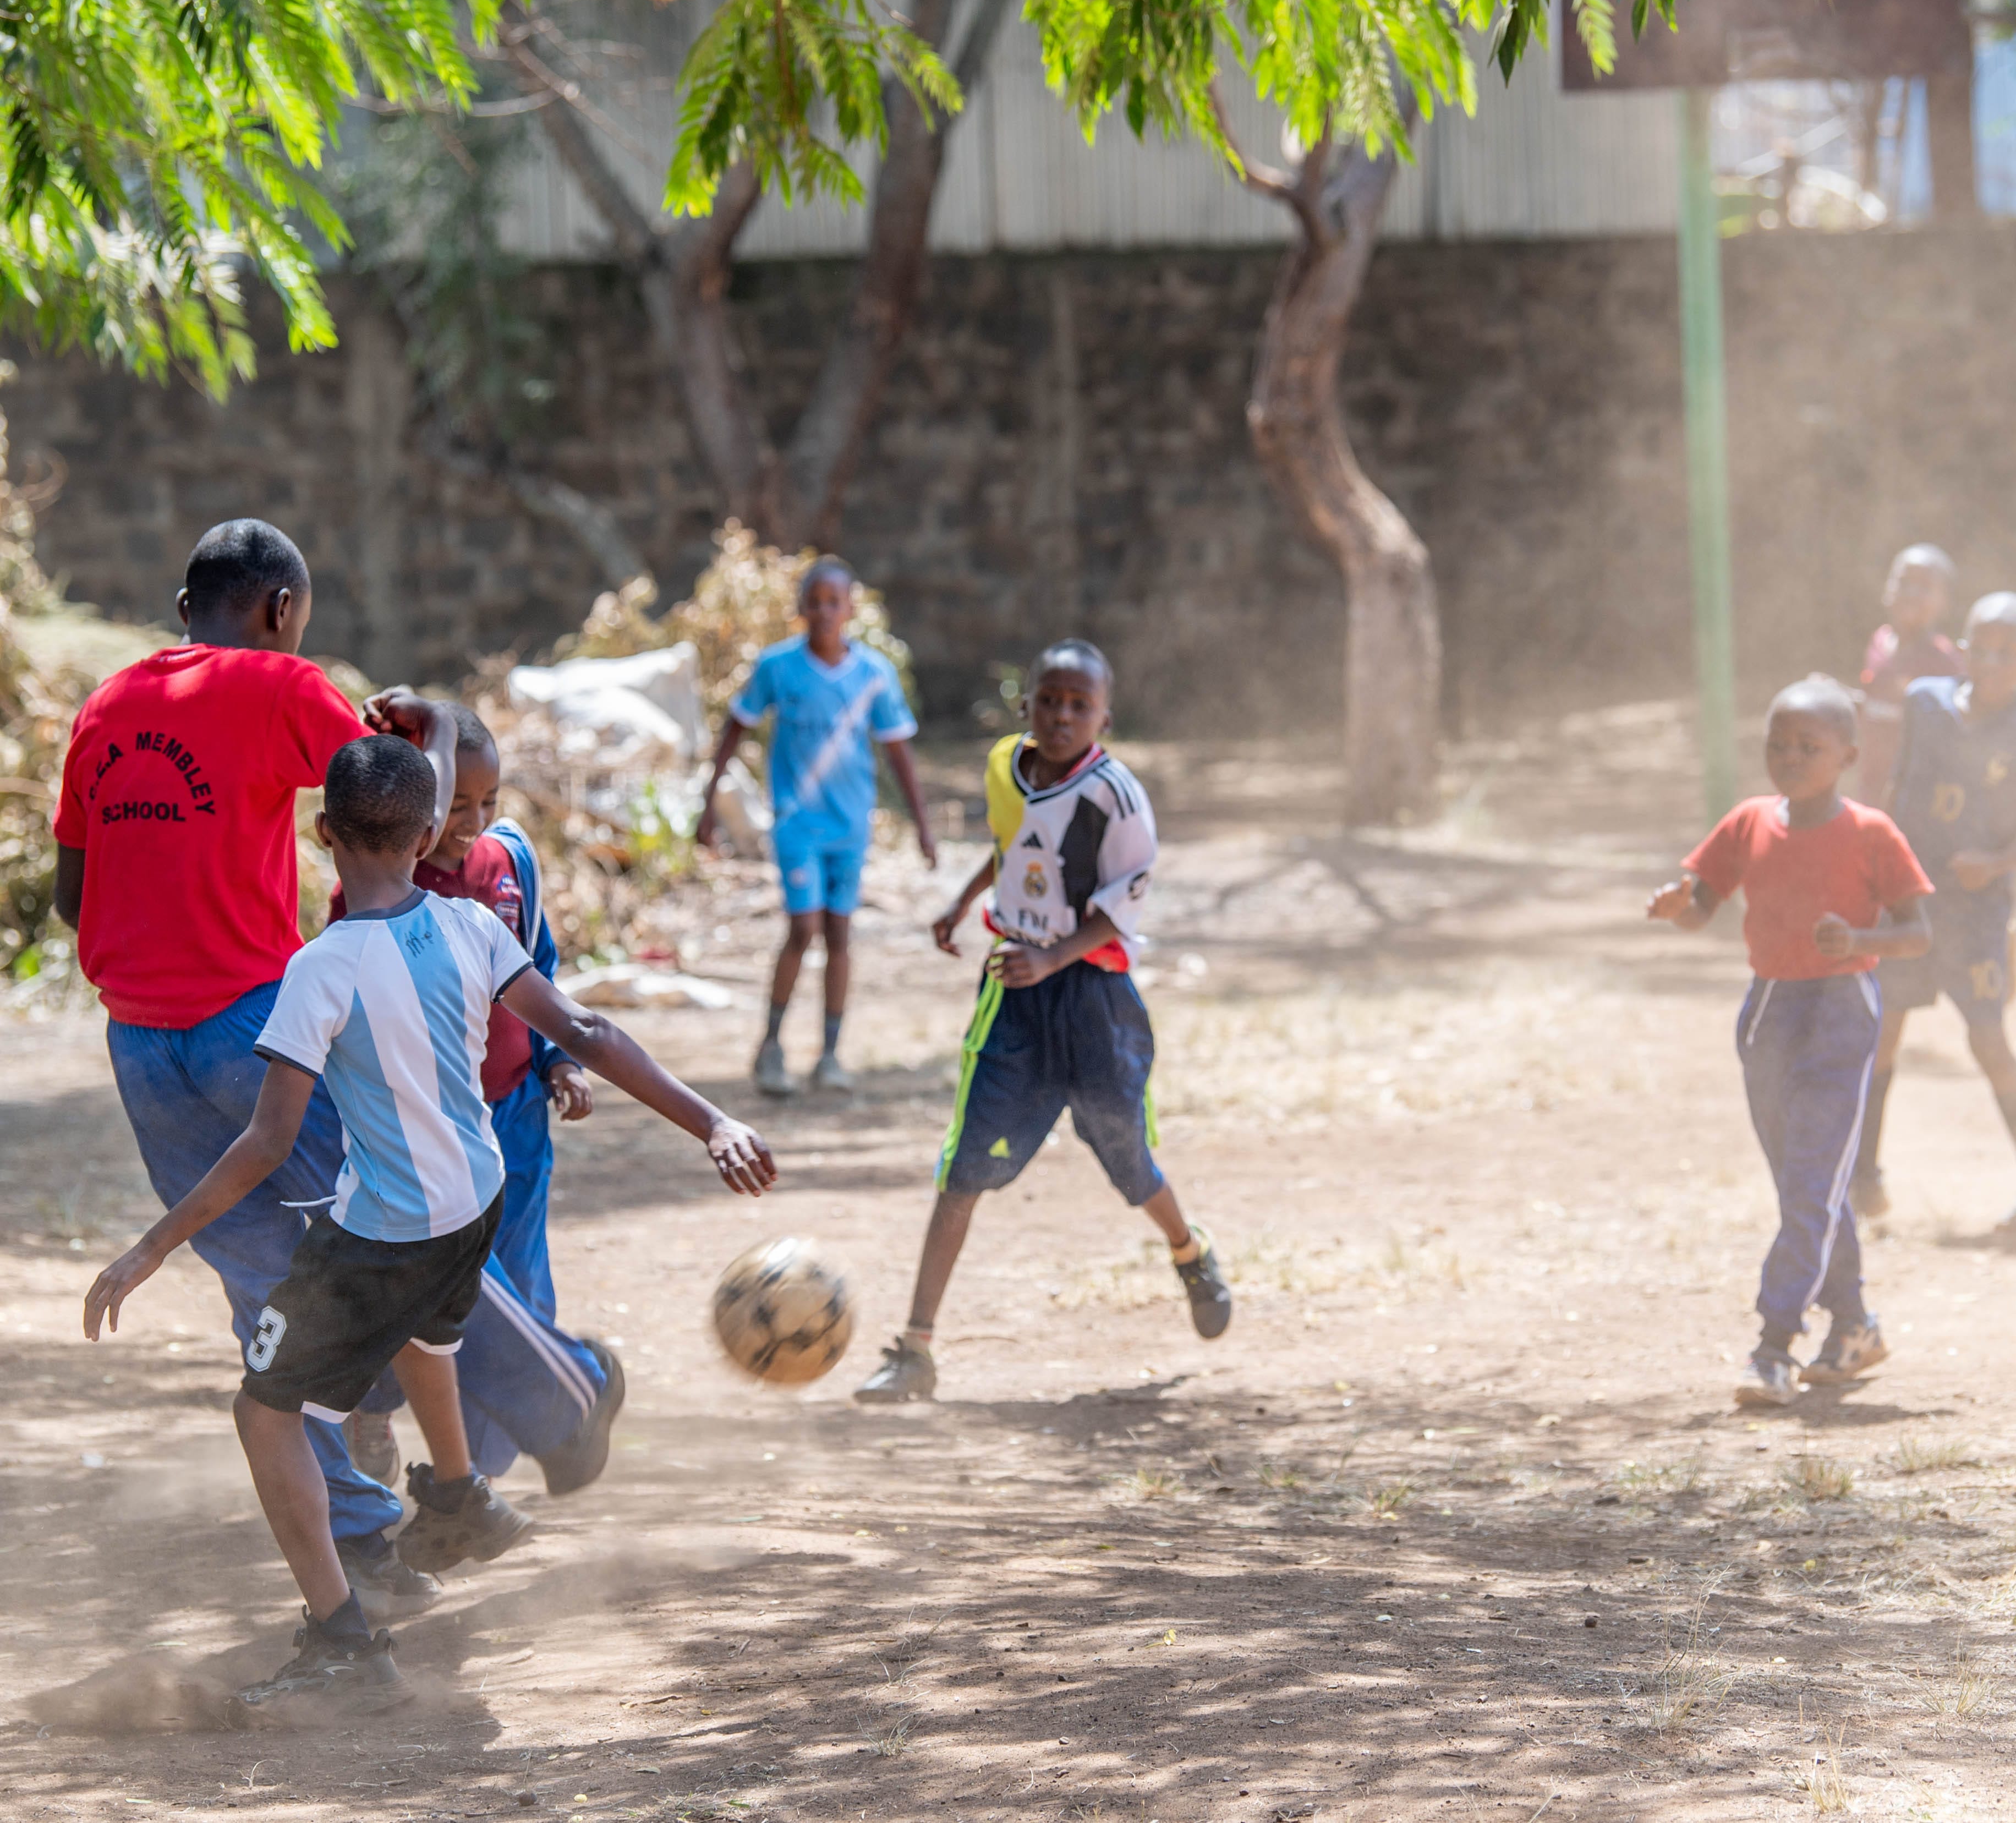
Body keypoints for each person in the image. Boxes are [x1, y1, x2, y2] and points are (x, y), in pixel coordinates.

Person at [82, 734, 777, 1714]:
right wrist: (713, 1122)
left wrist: (152, 1245)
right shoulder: (473, 926)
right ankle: (457, 1492)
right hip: (474, 1206)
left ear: (322, 835)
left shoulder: (320, 968)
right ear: (427, 837)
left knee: (264, 1412)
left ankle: (342, 1643)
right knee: (423, 1327)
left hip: (390, 1234)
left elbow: (270, 1141)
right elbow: (586, 1030)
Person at [51, 520, 442, 1617]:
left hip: (142, 1046)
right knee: (380, 1232)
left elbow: (73, 900)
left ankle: (359, 1542)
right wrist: (430, 740)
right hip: (258, 1029)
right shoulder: (281, 685)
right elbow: (392, 808)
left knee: (263, 1291)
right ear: (280, 610)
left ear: (186, 610)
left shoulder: (103, 707)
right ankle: (478, 1453)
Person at [853, 640, 1231, 1404]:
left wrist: (1054, 957)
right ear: (1025, 703)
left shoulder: (1116, 797)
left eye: (1078, 706)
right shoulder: (1005, 765)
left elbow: (1125, 902)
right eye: (1049, 700)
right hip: (1015, 1000)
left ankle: (1190, 1252)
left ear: (1104, 718)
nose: (1061, 716)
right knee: (963, 1168)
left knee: (1128, 1159)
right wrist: (963, 901)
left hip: (1093, 1000)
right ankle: (915, 1350)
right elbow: (1010, 845)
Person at [332, 705, 623, 1494]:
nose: (473, 821)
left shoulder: (509, 861)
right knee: (425, 1294)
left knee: (517, 1286)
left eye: (488, 801)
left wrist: (558, 1061)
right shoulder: (377, 884)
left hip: (515, 1115)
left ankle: (480, 1472)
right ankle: (378, 1411)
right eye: (455, 802)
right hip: (426, 1132)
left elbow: (540, 966)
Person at [1648, 675, 1933, 1408]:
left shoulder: (1871, 832)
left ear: (1848, 756)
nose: (1791, 758)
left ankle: (1773, 1346)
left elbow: (1918, 932)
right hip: (1769, 1011)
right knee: (1806, 1183)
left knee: (1811, 1183)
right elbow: (1702, 905)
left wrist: (1859, 940)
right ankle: (1854, 1322)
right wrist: (1678, 908)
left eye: (1810, 746)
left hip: (1841, 1011)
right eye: (1779, 745)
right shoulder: (1748, 822)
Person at [1857, 592, 2016, 1242]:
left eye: (2006, 652)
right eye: (1979, 648)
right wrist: (1877, 866)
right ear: (1960, 650)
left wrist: (1996, 861)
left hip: (1976, 910)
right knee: (1882, 1031)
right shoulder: (1926, 703)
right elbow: (1897, 787)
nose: (1990, 661)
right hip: (1909, 900)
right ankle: (1862, 1179)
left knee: (1988, 1041)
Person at [694, 558, 936, 1097]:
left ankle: (829, 1055)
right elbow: (736, 729)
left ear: (851, 608)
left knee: (840, 933)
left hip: (850, 824)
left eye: (835, 602)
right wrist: (708, 804)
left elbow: (898, 752)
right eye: (815, 601)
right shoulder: (777, 667)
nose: (825, 611)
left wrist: (923, 825)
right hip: (797, 822)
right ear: (801, 607)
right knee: (803, 928)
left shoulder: (874, 674)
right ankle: (771, 1046)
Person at [1855, 544, 1964, 808]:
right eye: (1904, 582)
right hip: (1870, 790)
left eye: (1925, 587)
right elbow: (1879, 704)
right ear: (1887, 589)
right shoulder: (1880, 641)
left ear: (1945, 603)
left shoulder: (1946, 664)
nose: (1911, 593)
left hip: (1914, 801)